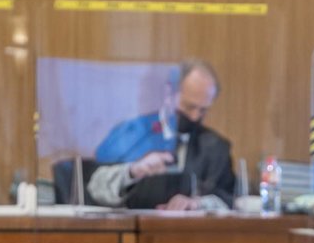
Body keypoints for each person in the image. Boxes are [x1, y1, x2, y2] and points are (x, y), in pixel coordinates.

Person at [87, 59, 237, 211]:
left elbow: (229, 200)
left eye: (203, 110)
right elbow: (94, 187)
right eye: (189, 107)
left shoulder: (216, 148)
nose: (194, 117)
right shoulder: (131, 133)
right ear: (169, 93)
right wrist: (133, 171)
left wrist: (198, 204)